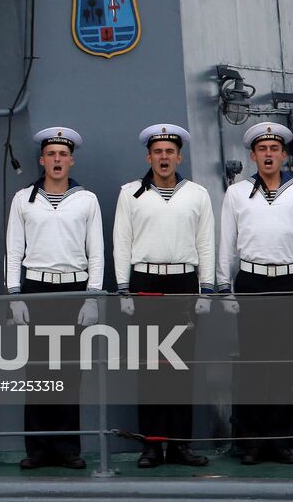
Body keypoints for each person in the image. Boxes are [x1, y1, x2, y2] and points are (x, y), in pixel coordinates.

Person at [216, 122, 293, 466]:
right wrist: (224, 287)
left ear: (284, 155)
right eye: (262, 149)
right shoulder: (237, 194)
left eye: (274, 149)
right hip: (251, 282)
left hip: (289, 282)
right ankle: (252, 442)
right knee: (252, 363)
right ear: (253, 156)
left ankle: (281, 440)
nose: (269, 154)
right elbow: (227, 243)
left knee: (283, 363)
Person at [112, 124, 214, 469]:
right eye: (158, 152)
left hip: (184, 284)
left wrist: (206, 288)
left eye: (170, 151)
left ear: (179, 157)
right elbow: (122, 242)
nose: (164, 157)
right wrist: (124, 288)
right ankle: (152, 446)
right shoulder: (130, 194)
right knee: (150, 369)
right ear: (149, 158)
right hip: (146, 283)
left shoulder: (197, 194)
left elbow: (205, 242)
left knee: (182, 368)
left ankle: (181, 445)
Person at [4, 127, 103, 470]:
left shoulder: (86, 200)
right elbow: (13, 250)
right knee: (37, 372)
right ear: (42, 160)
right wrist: (14, 295)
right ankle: (38, 449)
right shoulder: (23, 199)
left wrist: (92, 297)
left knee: (71, 372)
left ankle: (67, 448)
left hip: (73, 291)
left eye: (63, 154)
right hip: (36, 291)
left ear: (71, 160)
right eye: (51, 154)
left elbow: (96, 252)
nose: (57, 160)